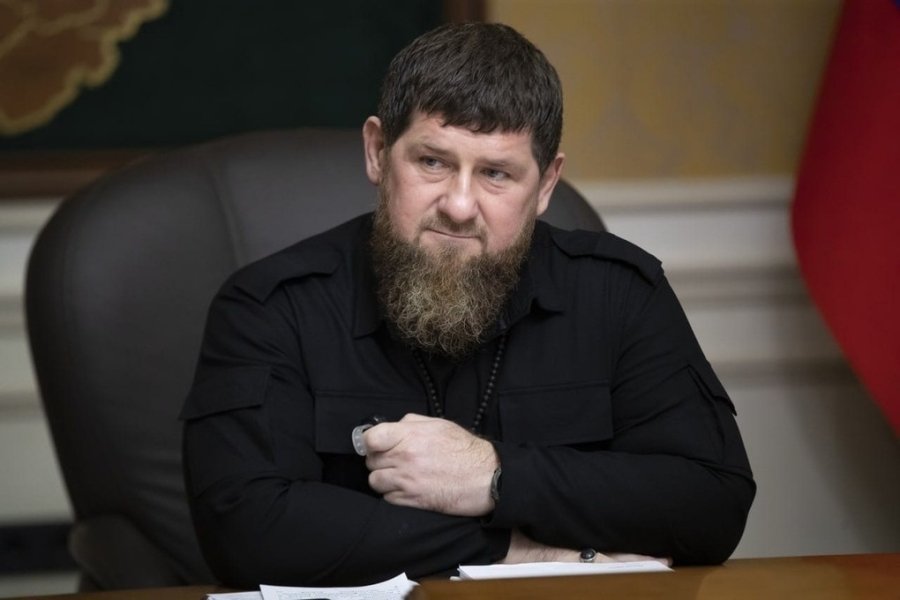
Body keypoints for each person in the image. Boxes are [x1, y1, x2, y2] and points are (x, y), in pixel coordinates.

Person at [181, 22, 755, 588]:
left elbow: (712, 502)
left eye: (496, 173)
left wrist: (495, 475)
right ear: (378, 152)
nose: (459, 206)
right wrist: (513, 550)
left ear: (546, 184)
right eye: (432, 162)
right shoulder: (269, 306)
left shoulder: (619, 293)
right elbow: (246, 531)